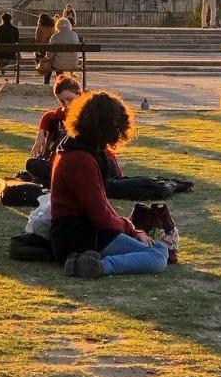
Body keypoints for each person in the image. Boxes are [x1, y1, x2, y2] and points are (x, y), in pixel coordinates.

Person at [49, 90, 169, 279]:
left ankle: (95, 262)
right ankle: (100, 266)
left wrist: (130, 229)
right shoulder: (81, 159)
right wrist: (131, 230)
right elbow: (101, 216)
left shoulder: (75, 148)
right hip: (83, 237)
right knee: (159, 254)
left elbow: (101, 207)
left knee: (155, 248)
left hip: (76, 232)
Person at [24, 74, 84, 185]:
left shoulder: (87, 113)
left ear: (79, 95)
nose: (66, 104)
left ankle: (59, 180)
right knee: (32, 167)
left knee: (33, 168)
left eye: (69, 99)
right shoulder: (64, 112)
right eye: (62, 101)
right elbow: (48, 116)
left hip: (81, 164)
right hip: (65, 165)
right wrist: (40, 135)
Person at [0, 13, 19, 79]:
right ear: (11, 19)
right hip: (11, 53)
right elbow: (17, 41)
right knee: (9, 52)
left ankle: (2, 65)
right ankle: (4, 63)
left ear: (2, 19)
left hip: (0, 53)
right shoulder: (15, 29)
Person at [34, 13, 56, 84]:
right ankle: (46, 79)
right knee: (49, 61)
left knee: (38, 56)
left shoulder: (40, 28)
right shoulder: (53, 28)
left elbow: (37, 41)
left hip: (42, 50)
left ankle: (42, 71)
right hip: (51, 51)